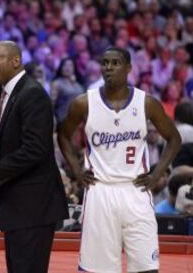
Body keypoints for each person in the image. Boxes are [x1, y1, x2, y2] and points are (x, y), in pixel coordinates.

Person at [58, 47, 182, 273]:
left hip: (135, 190)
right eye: (105, 63)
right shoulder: (83, 103)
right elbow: (63, 136)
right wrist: (76, 171)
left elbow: (174, 139)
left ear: (128, 68)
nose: (109, 67)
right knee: (97, 269)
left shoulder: (146, 103)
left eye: (115, 63)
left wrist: (156, 175)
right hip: (100, 191)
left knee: (147, 267)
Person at [0, 40, 68, 273]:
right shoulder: (13, 92)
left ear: (16, 61)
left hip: (33, 207)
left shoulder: (32, 93)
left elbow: (35, 149)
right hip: (21, 205)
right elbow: (6, 146)